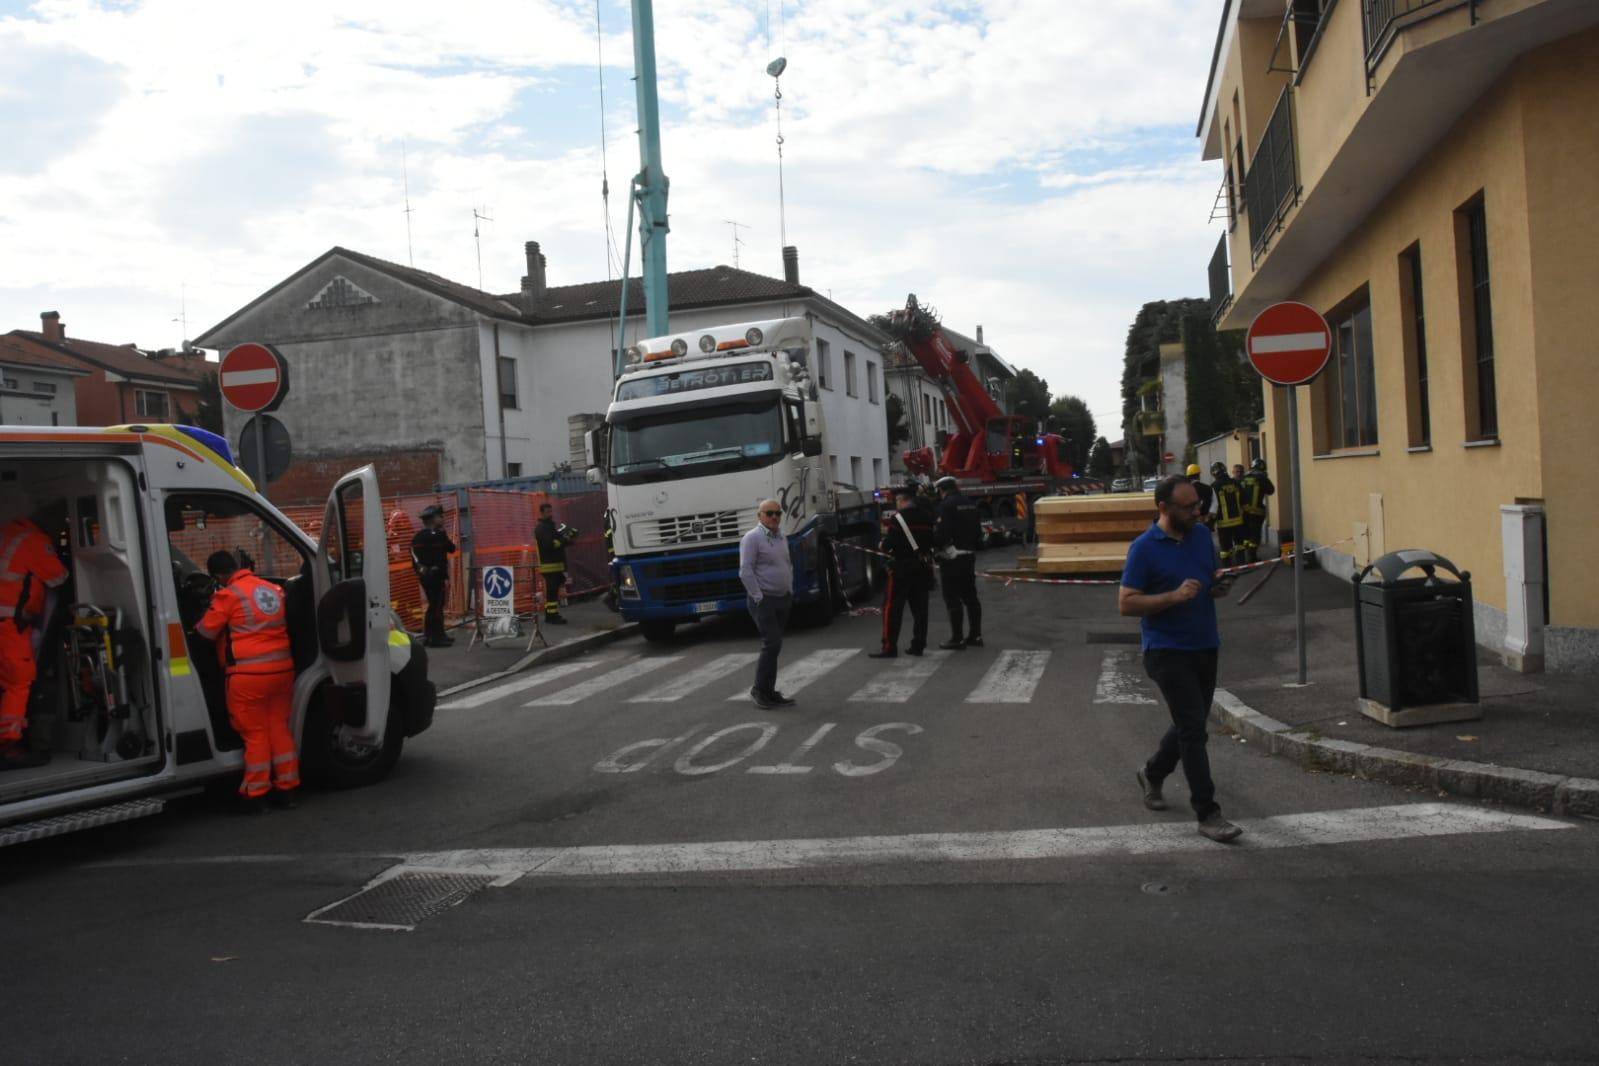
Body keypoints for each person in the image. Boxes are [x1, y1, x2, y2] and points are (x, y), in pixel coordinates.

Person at [1119, 475, 1242, 844]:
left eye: (1198, 505)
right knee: (1193, 729)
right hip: (1166, 650)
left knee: (1190, 722)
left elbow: (1208, 578)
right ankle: (1208, 812)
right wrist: (1172, 597)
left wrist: (1218, 585)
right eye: (1188, 507)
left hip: (1205, 643)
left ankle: (1153, 772)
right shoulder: (1143, 548)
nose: (1197, 512)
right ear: (1163, 508)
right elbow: (1126, 603)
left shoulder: (1202, 536)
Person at [195, 550, 299, 812]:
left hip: (248, 676)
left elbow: (206, 632)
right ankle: (287, 790)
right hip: (282, 672)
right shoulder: (273, 589)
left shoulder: (228, 595)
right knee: (278, 727)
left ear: (219, 575)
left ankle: (258, 794)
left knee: (255, 734)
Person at [0, 503, 70, 771]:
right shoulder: (34, 540)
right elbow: (58, 577)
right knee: (19, 682)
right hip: (10, 626)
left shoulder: (6, 532)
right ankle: (9, 746)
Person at [739, 499, 795, 710]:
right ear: (759, 516)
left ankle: (769, 692)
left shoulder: (781, 536)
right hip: (764, 600)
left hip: (782, 598)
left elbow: (786, 563)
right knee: (772, 643)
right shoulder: (752, 538)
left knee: (775, 646)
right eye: (769, 513)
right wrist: (758, 597)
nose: (774, 517)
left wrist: (790, 589)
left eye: (777, 514)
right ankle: (759, 690)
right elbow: (745, 570)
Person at [873, 485, 934, 659]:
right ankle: (918, 645)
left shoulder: (897, 519)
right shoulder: (926, 517)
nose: (896, 504)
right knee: (921, 609)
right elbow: (932, 540)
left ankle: (889, 647)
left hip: (901, 569)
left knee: (892, 609)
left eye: (897, 501)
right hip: (922, 567)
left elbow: (889, 544)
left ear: (903, 500)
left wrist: (882, 545)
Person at [932, 475, 983, 650]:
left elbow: (941, 534)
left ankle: (957, 638)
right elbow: (978, 532)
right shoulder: (970, 503)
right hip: (969, 555)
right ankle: (976, 635)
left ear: (942, 490)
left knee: (952, 598)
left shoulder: (945, 506)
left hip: (952, 557)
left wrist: (937, 548)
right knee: (971, 597)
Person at [410, 504, 456, 647]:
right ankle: (436, 638)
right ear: (433, 519)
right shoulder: (439, 535)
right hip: (437, 576)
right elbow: (452, 549)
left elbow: (415, 559)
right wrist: (444, 534)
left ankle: (431, 635)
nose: (442, 518)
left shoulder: (417, 537)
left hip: (425, 577)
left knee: (432, 606)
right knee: (436, 606)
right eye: (440, 516)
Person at [534, 501, 577, 625]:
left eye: (551, 511)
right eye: (547, 512)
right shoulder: (542, 528)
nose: (550, 513)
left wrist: (568, 539)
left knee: (553, 591)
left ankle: (551, 614)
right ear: (541, 513)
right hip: (549, 566)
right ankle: (552, 616)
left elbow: (558, 540)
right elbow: (550, 545)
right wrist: (563, 540)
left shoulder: (549, 526)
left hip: (555, 565)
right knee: (552, 591)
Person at [1240, 458, 1276, 565]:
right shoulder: (1261, 477)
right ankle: (1252, 557)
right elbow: (1271, 490)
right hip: (1257, 512)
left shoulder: (1245, 476)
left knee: (1246, 535)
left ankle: (1246, 556)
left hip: (1244, 511)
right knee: (1255, 535)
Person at [1210, 461, 1244, 567]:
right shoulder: (1236, 483)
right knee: (1239, 545)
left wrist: (1211, 522)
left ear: (1214, 473)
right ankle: (1241, 564)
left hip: (1223, 523)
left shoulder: (1214, 486)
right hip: (1238, 521)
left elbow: (1213, 505)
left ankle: (1227, 567)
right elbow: (1244, 500)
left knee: (1225, 548)